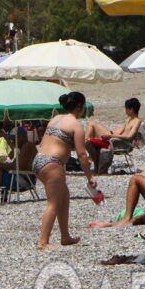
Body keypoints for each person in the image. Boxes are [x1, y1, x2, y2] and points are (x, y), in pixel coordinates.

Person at [35, 92, 96, 249]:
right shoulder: (76, 125)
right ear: (79, 107)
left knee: (64, 195)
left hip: (39, 160)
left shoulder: (55, 119)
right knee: (53, 203)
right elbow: (82, 155)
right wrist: (90, 177)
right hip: (53, 163)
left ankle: (65, 236)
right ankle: (43, 241)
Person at [84, 97, 143, 171]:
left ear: (131, 109)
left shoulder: (137, 121)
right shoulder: (129, 119)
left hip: (121, 142)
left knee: (92, 124)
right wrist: (111, 133)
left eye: (126, 109)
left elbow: (129, 137)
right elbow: (121, 131)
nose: (125, 111)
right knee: (92, 127)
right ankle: (89, 153)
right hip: (115, 138)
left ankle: (86, 153)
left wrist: (110, 136)